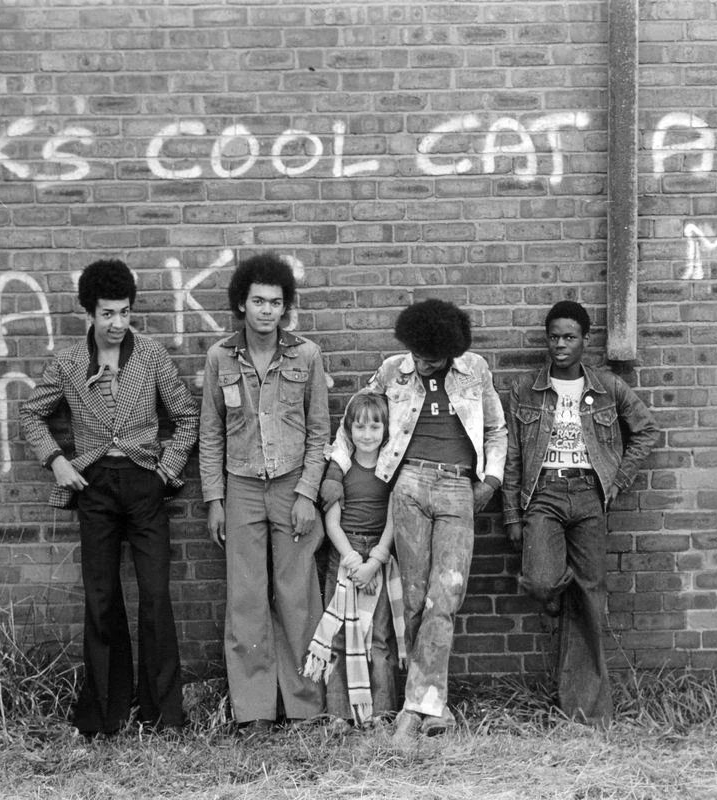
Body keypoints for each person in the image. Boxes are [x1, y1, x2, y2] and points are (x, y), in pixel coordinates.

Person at [19, 259, 199, 737]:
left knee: (156, 596)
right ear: (89, 314)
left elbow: (186, 419)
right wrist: (57, 462)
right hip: (93, 486)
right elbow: (32, 415)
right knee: (101, 600)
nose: (117, 324)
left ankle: (163, 714)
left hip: (145, 484)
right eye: (107, 314)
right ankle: (104, 715)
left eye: (124, 313)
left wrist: (164, 473)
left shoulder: (153, 357)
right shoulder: (69, 362)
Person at [323, 299, 507, 743]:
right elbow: (355, 421)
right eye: (418, 356)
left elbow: (497, 430)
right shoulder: (393, 370)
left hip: (457, 487)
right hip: (406, 485)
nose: (423, 365)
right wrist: (334, 468)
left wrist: (492, 481)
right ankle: (426, 705)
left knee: (447, 594)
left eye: (433, 359)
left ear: (451, 352)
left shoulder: (474, 370)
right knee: (415, 597)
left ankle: (419, 704)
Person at [502, 300, 658, 726]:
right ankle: (560, 590)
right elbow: (513, 456)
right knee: (540, 579)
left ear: (585, 340)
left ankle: (587, 711)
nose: (560, 345)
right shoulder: (525, 390)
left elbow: (645, 431)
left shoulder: (607, 387)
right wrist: (513, 516)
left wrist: (616, 481)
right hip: (544, 494)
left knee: (591, 598)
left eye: (569, 337)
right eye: (554, 337)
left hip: (589, 494)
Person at [198, 252, 330, 733]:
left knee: (298, 597)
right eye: (257, 301)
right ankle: (253, 709)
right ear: (241, 304)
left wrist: (307, 493)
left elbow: (320, 432)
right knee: (247, 599)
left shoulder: (306, 355)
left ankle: (304, 706)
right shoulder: (219, 358)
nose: (266, 311)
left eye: (276, 302)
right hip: (242, 488)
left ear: (285, 308)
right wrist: (215, 498)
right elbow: (210, 433)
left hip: (293, 485)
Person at [302, 393, 406, 730]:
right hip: (344, 554)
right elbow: (332, 522)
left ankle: (381, 712)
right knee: (341, 634)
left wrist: (373, 562)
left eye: (375, 426)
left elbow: (394, 521)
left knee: (377, 637)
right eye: (359, 426)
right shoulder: (340, 468)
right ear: (349, 429)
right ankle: (340, 714)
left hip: (379, 556)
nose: (367, 434)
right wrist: (351, 560)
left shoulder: (391, 469)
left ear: (385, 429)